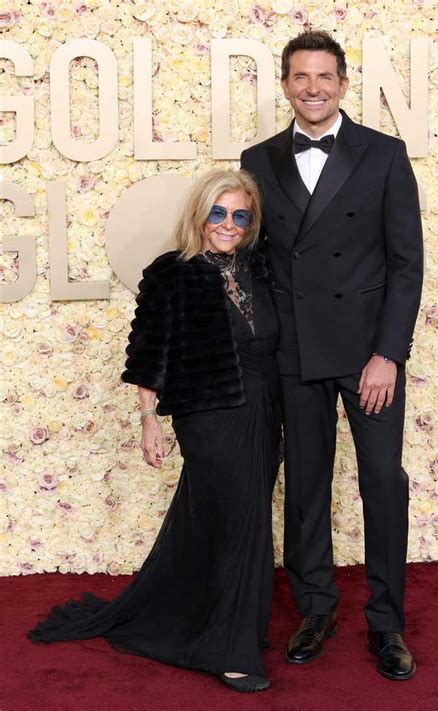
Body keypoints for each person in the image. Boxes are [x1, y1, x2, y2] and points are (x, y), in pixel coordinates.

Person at [28, 169, 282, 693]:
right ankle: (229, 650)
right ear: (199, 214)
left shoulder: (262, 267)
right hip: (208, 413)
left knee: (240, 518)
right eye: (218, 212)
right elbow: (149, 354)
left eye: (240, 215)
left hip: (265, 408)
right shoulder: (172, 273)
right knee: (240, 518)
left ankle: (227, 623)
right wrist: (149, 421)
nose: (228, 224)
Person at [241, 30, 423, 681]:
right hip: (295, 351)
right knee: (307, 491)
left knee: (383, 485)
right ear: (286, 85)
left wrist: (388, 354)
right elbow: (253, 263)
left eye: (324, 76)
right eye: (300, 77)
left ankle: (386, 622)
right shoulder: (257, 159)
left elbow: (406, 264)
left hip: (369, 354)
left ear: (343, 84)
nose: (313, 87)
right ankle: (316, 609)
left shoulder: (383, 154)